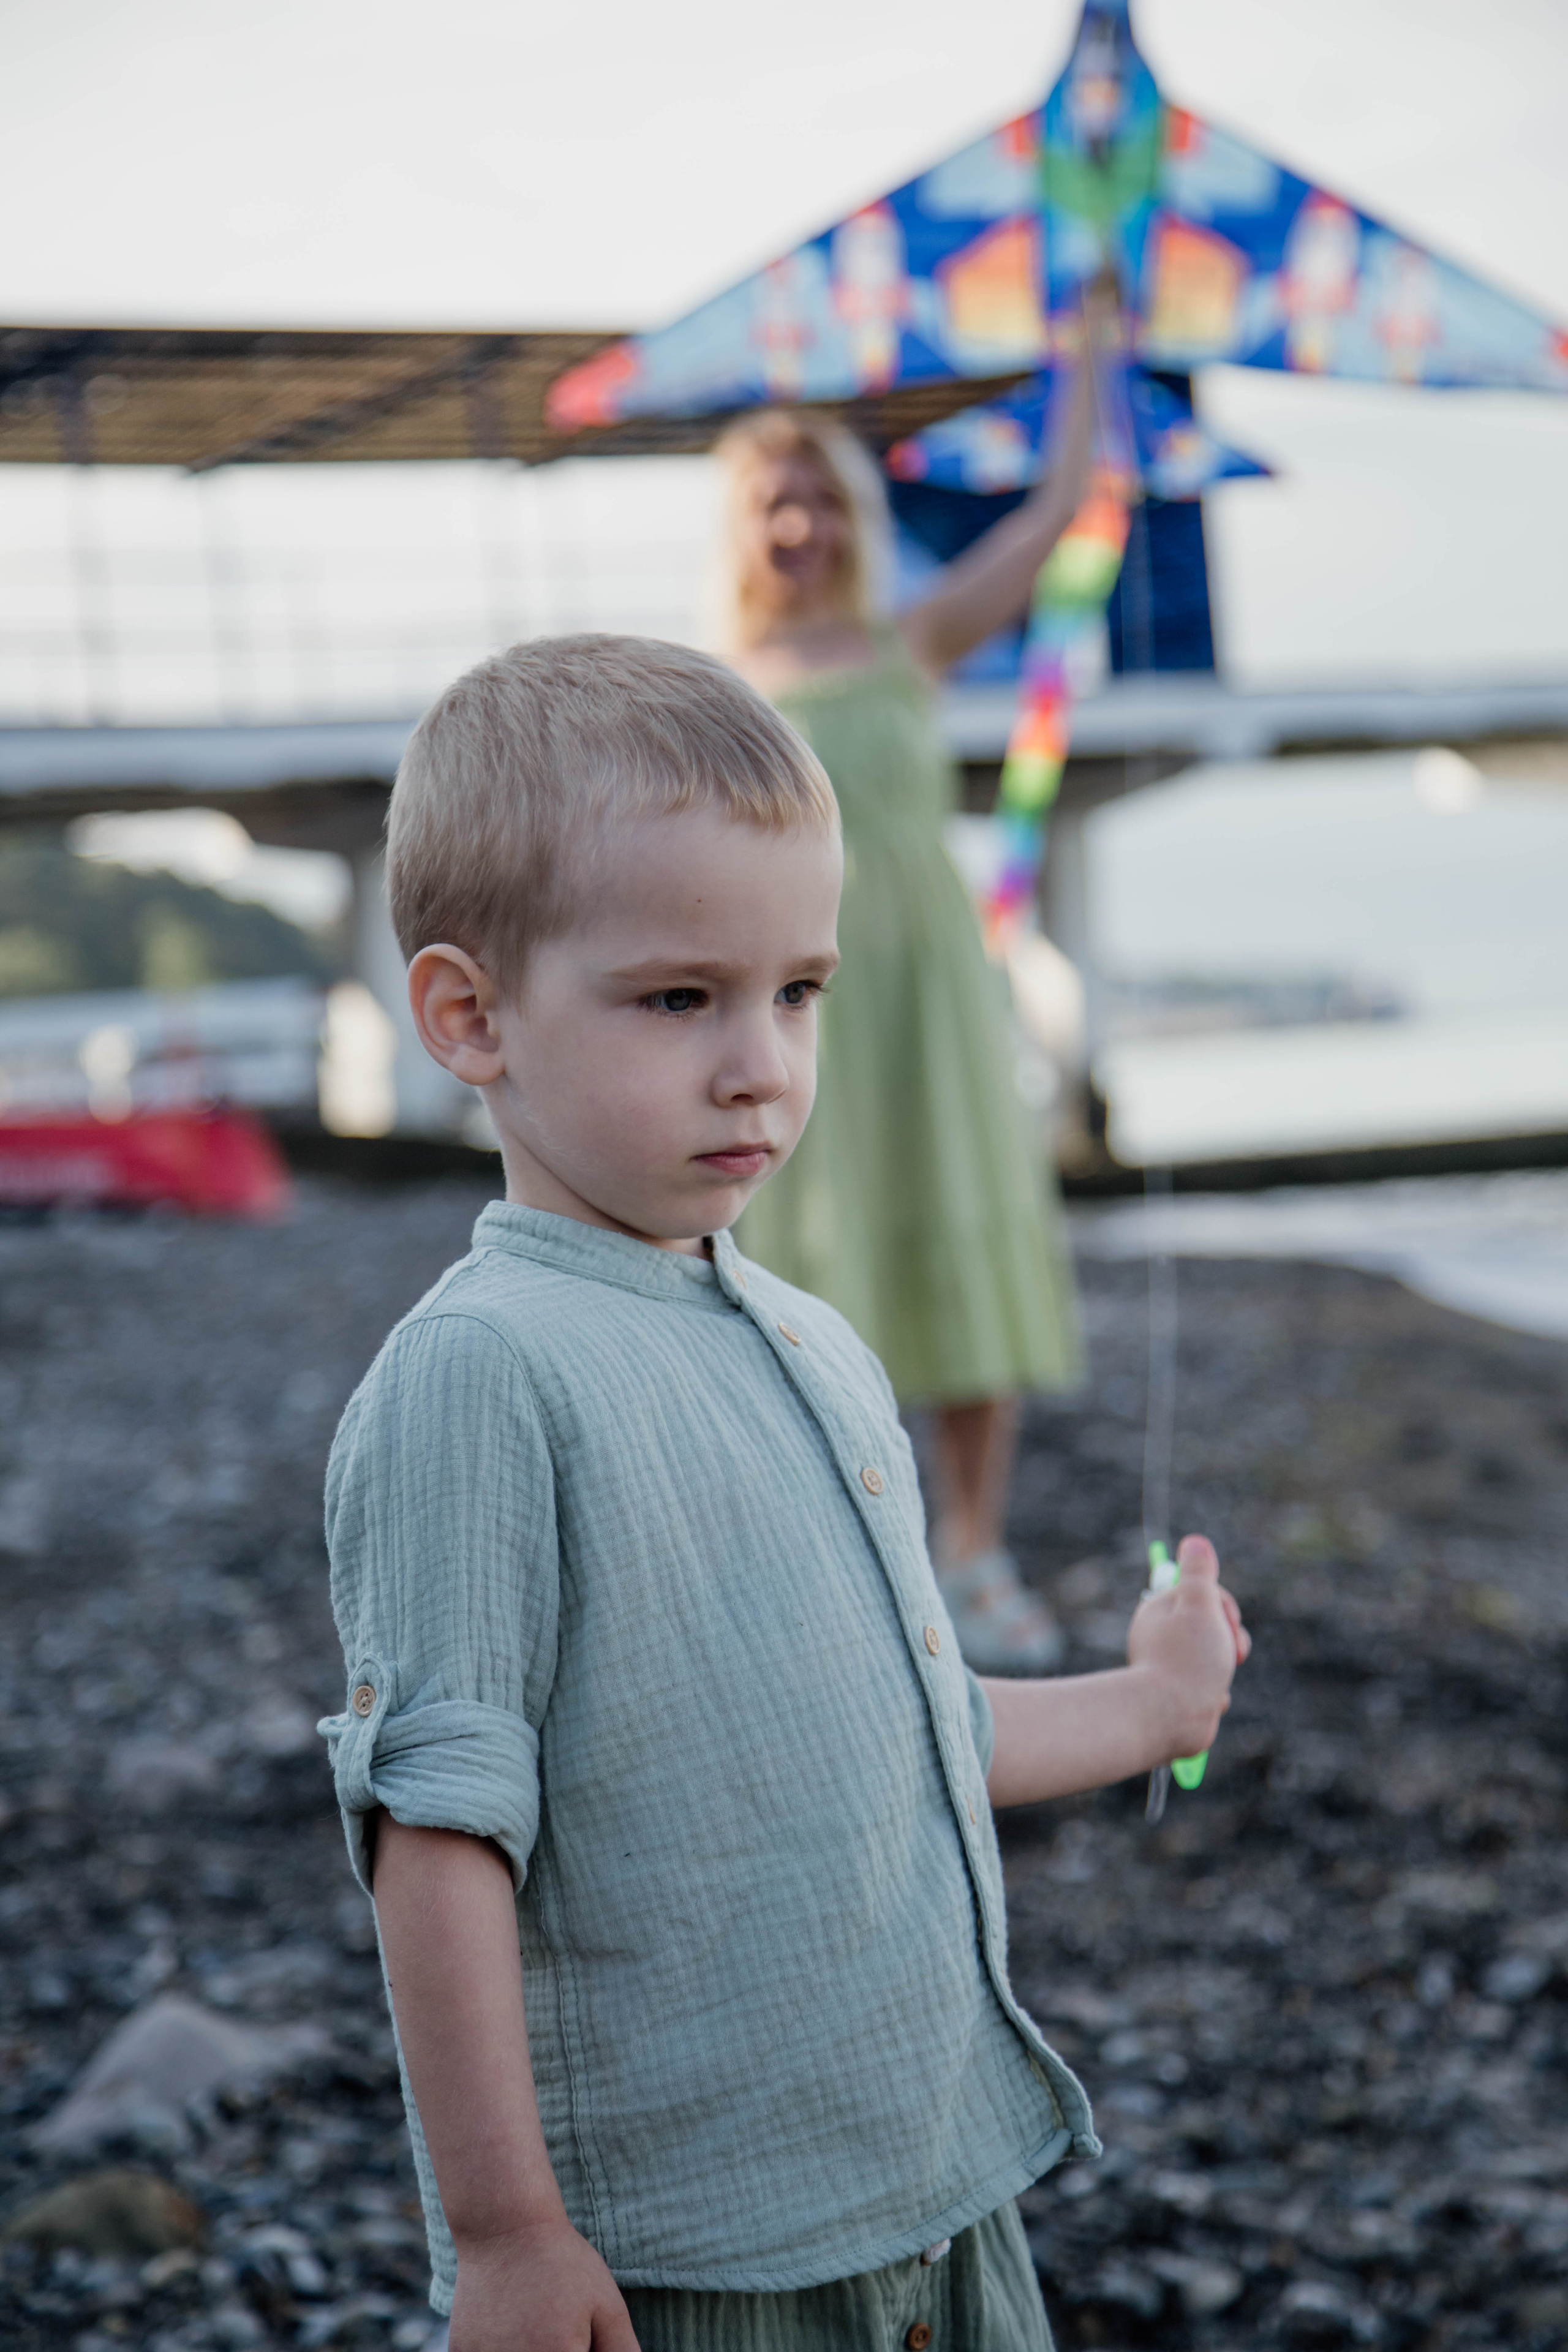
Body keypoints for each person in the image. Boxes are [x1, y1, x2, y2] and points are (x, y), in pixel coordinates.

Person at [320, 634, 1250, 2352]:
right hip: (701, 2255)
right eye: (681, 998)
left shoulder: (813, 1342)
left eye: (798, 990)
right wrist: (510, 2232)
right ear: (469, 1017)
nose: (761, 1061)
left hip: (940, 2187)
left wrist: (1153, 1697)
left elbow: (912, 1724)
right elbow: (437, 1830)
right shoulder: (484, 1375)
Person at [717, 313, 1111, 1673]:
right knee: (815, 1253)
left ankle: (975, 1544)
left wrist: (1093, 349)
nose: (803, 523)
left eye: (823, 495)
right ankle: (845, 1551)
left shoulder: (910, 638)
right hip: (803, 995)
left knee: (965, 1213)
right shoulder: (721, 690)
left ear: (854, 515)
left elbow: (1056, 511)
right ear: (743, 529)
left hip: (931, 987)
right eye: (777, 501)